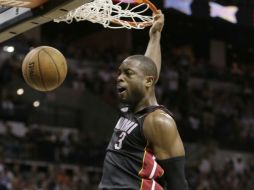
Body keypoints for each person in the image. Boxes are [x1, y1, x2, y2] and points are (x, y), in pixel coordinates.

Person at [99, 10, 188, 190]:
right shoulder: (133, 110)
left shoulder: (158, 121)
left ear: (148, 81)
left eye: (128, 74)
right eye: (119, 73)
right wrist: (155, 35)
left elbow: (178, 182)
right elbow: (149, 69)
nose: (119, 78)